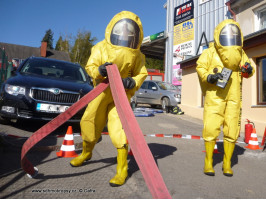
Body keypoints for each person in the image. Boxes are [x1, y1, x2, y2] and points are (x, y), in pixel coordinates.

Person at [70, 11, 148, 187]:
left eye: (130, 33)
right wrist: (99, 71)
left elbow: (142, 73)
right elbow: (90, 66)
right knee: (89, 122)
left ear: (136, 35)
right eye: (122, 31)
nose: (125, 36)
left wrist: (132, 81)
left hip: (121, 96)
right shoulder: (100, 48)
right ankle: (86, 153)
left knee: (119, 130)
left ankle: (122, 170)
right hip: (101, 93)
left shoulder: (138, 55)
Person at [196, 19, 254, 177]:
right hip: (215, 94)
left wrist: (248, 69)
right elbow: (200, 66)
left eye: (234, 34)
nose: (231, 36)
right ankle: (208, 162)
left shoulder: (240, 53)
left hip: (234, 94)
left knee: (232, 126)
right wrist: (210, 77)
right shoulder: (210, 52)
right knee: (210, 126)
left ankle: (227, 163)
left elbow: (248, 70)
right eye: (229, 33)